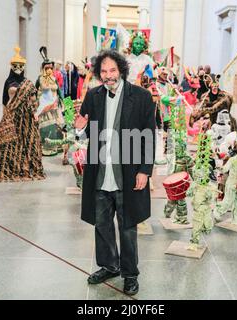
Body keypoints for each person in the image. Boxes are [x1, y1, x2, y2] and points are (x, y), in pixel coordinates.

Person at [74, 49, 156, 296]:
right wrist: (79, 130)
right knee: (102, 224)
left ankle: (130, 273)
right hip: (100, 173)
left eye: (112, 70)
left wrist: (145, 171)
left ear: (120, 69)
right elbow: (85, 133)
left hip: (128, 173)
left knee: (128, 226)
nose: (108, 76)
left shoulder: (140, 97)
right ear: (98, 73)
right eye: (103, 71)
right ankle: (109, 265)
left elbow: (149, 136)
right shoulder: (93, 96)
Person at [0, 48, 45, 182]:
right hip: (12, 117)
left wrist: (34, 113)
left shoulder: (28, 83)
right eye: (15, 66)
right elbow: (5, 102)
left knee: (25, 144)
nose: (18, 68)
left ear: (24, 66)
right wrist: (5, 118)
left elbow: (33, 100)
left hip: (26, 120)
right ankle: (8, 167)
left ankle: (23, 167)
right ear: (11, 67)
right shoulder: (8, 82)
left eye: (21, 66)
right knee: (7, 144)